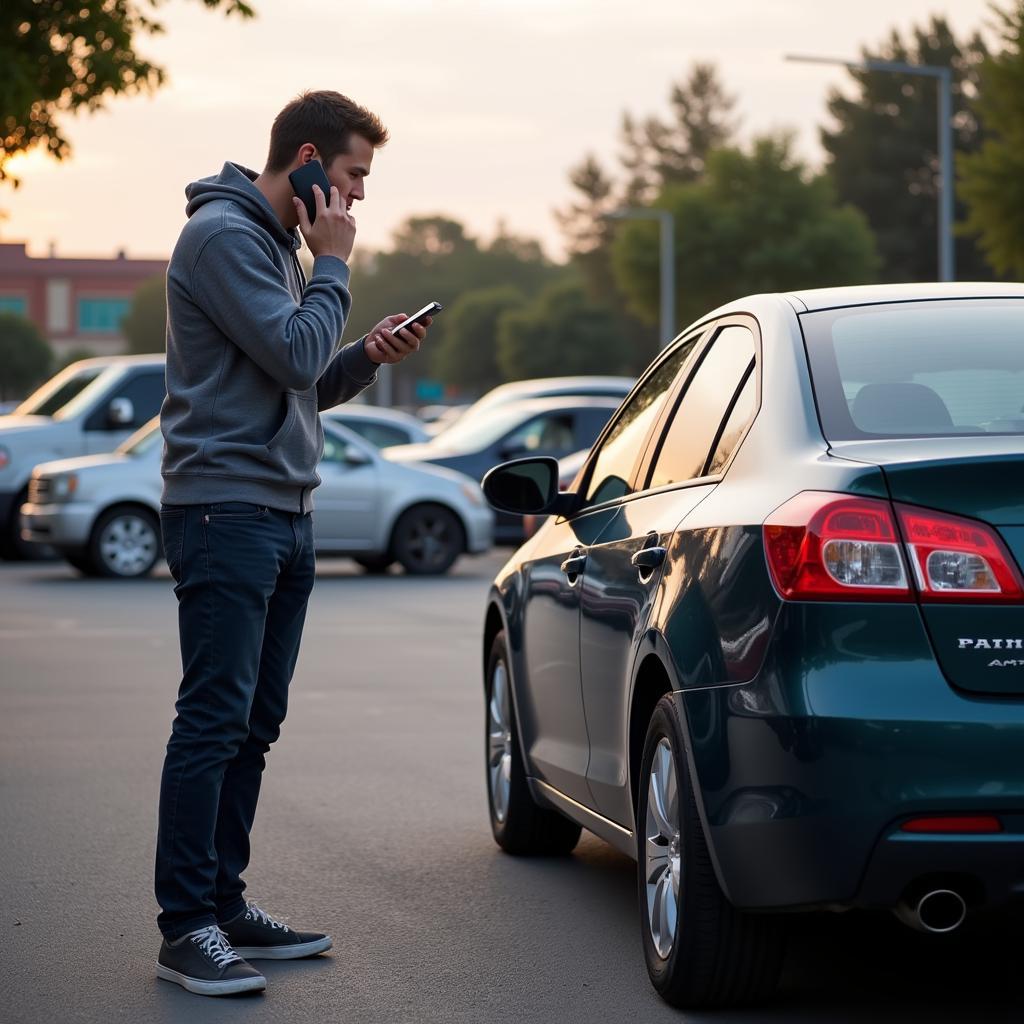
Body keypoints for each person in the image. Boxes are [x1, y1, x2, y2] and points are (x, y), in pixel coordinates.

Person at [154, 90, 430, 997]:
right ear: (308, 159)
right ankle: (187, 927)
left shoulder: (275, 249)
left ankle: (225, 904)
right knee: (213, 721)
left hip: (282, 515)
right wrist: (336, 266)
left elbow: (304, 381)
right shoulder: (227, 238)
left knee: (253, 725)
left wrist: (366, 357)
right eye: (353, 176)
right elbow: (294, 355)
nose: (358, 198)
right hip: (225, 512)